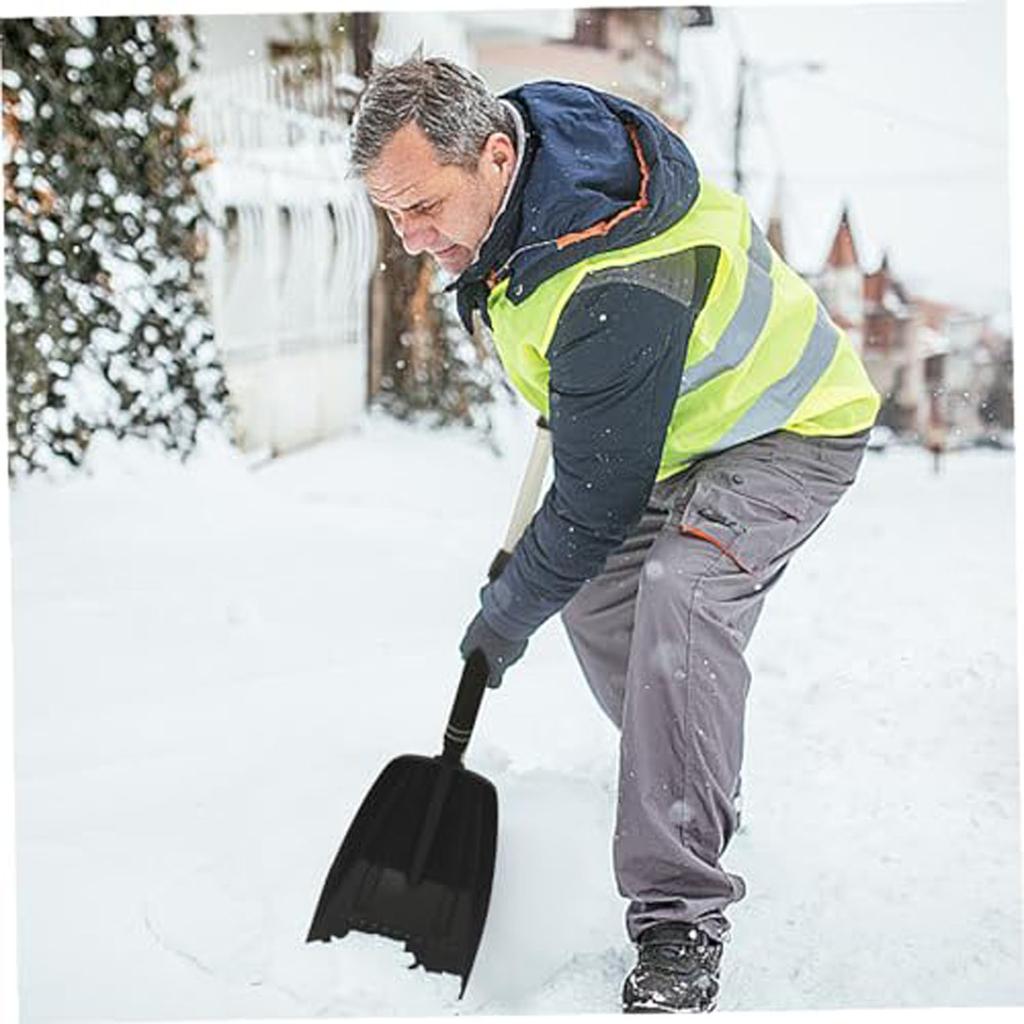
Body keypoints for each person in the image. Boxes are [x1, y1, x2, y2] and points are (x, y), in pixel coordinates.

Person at [350, 56, 880, 1013]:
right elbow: (590, 480)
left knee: (679, 591)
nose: (411, 236)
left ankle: (679, 916)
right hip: (677, 436)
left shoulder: (615, 268)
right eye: (392, 213)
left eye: (423, 205)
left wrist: (503, 615)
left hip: (790, 427)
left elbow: (593, 507)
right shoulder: (530, 191)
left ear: (496, 156)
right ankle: (688, 783)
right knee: (597, 602)